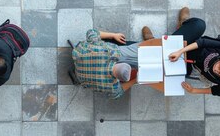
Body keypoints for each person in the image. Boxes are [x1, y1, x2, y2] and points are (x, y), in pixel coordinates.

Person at [73, 7, 207, 98]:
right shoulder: (110, 52)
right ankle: (153, 40)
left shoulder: (104, 52)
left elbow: (91, 33)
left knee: (143, 52)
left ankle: (153, 40)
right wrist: (134, 81)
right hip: (84, 71)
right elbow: (116, 94)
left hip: (82, 61)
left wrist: (113, 36)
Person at [166, 9, 220, 96]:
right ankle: (183, 23)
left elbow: (216, 91)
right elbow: (203, 42)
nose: (215, 69)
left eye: (219, 73)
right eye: (219, 66)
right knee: (199, 24)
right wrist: (180, 51)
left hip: (194, 63)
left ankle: (182, 32)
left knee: (169, 72)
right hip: (196, 47)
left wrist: (193, 90)